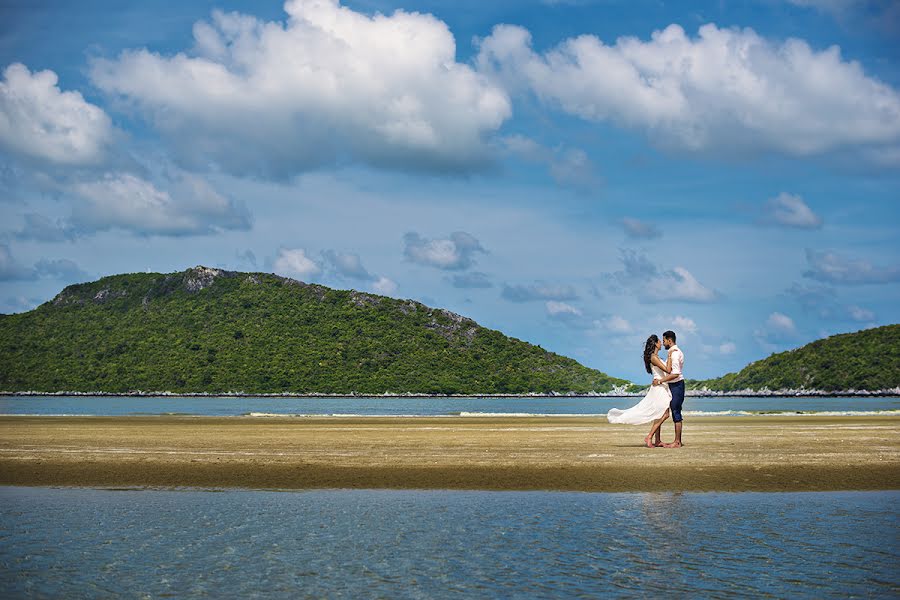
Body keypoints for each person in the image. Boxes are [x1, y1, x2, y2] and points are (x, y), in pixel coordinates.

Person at [607, 334, 673, 448]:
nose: (661, 343)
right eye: (659, 341)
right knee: (665, 414)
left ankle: (657, 440)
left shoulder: (655, 357)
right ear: (656, 344)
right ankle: (649, 436)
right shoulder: (654, 357)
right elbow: (668, 370)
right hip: (659, 388)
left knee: (659, 414)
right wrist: (671, 357)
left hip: (661, 386)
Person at [653, 330, 685, 448]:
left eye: (665, 340)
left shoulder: (675, 353)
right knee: (668, 412)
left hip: (676, 385)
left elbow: (675, 373)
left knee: (676, 412)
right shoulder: (672, 353)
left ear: (669, 340)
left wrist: (660, 381)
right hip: (672, 386)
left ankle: (677, 442)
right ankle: (662, 440)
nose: (663, 343)